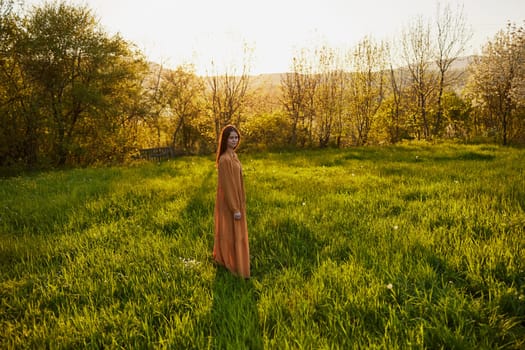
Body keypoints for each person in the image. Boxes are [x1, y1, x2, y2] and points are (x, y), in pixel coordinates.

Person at [213, 125, 250, 279]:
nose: (234, 140)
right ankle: (230, 261)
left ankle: (238, 259)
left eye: (236, 137)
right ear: (225, 139)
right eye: (231, 137)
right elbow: (227, 186)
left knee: (238, 233)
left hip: (237, 200)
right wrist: (235, 208)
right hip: (230, 203)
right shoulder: (224, 160)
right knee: (229, 232)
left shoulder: (234, 156)